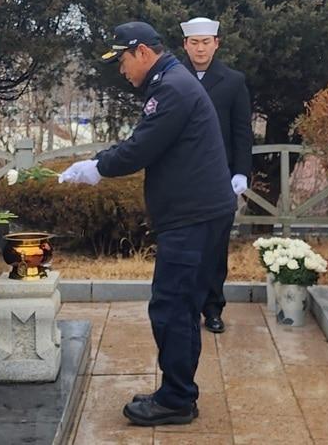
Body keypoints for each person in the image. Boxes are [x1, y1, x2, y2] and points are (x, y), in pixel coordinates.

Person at [58, 21, 235, 427]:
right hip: (199, 214)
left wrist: (97, 167)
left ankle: (175, 399)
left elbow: (142, 148)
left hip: (193, 218)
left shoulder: (171, 88)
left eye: (122, 60)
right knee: (182, 305)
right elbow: (147, 141)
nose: (122, 70)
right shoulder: (172, 81)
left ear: (141, 52)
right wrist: (102, 159)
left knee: (171, 306)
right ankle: (179, 392)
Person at [179, 16, 253, 334]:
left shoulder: (233, 81)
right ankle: (185, 307)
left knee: (215, 245)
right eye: (194, 42)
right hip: (180, 176)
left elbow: (242, 132)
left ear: (216, 44)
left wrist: (241, 173)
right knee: (183, 245)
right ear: (185, 45)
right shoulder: (173, 78)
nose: (200, 48)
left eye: (206, 42)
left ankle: (213, 307)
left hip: (218, 176)